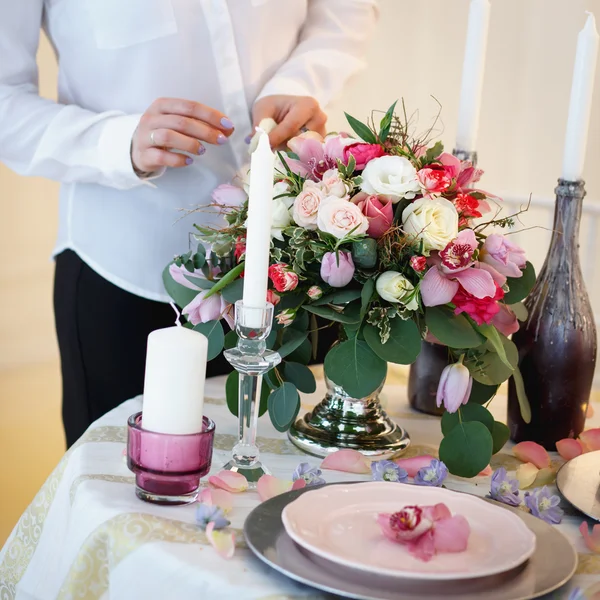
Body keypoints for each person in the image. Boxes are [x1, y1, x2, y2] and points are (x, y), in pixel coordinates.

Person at [0, 0, 378, 448]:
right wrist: (118, 142)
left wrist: (303, 80)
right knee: (137, 495)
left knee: (299, 482)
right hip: (128, 272)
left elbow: (347, 11)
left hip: (301, 258)